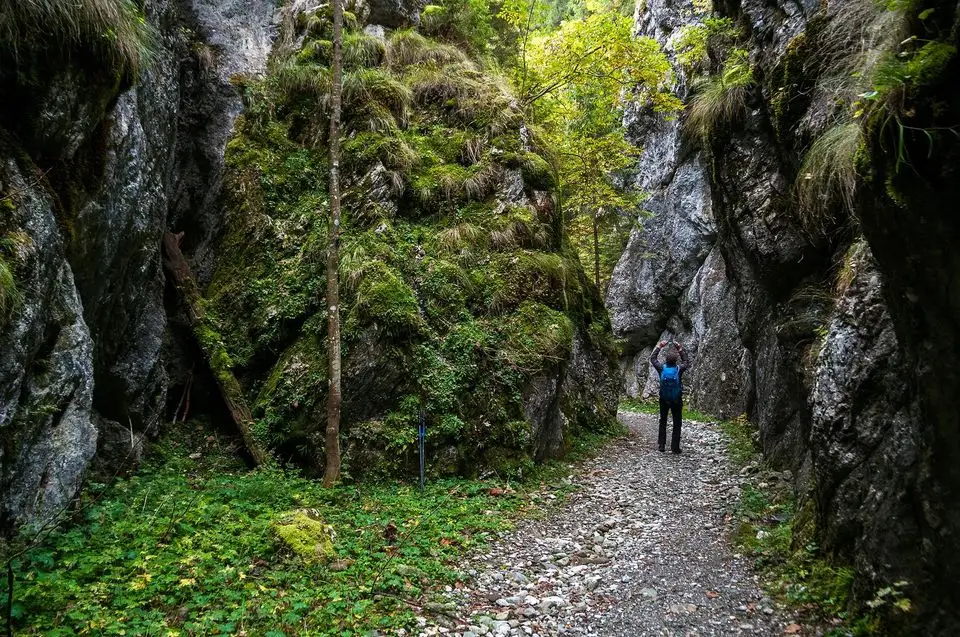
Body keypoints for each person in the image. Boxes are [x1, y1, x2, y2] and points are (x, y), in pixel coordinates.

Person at [649, 340, 690, 453]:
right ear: (676, 361)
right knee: (677, 422)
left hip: (664, 399)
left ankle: (662, 445)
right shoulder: (679, 369)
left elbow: (653, 359)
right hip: (676, 400)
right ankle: (675, 448)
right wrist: (680, 348)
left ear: (666, 360)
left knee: (663, 420)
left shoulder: (661, 368)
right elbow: (686, 361)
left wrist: (659, 346)